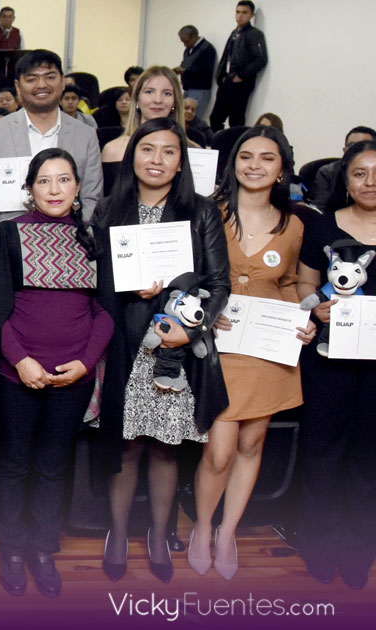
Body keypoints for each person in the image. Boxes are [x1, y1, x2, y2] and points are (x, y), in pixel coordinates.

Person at [93, 117, 230, 584]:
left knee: (165, 450)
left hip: (172, 351)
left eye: (168, 151)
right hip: (124, 343)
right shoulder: (109, 209)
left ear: (180, 161)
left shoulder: (201, 212)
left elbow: (218, 284)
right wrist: (132, 292)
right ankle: (117, 533)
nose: (157, 159)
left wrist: (190, 331)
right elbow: (96, 286)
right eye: (148, 149)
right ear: (132, 154)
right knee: (126, 446)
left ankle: (156, 534)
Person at [0, 148, 111, 598]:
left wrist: (86, 363)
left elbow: (105, 312)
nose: (55, 189)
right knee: (13, 463)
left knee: (54, 466)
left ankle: (42, 549)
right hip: (18, 374)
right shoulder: (8, 235)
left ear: (77, 187)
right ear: (29, 189)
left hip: (75, 377)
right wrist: (21, 360)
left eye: (64, 180)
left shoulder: (94, 239)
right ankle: (12, 549)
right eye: (45, 181)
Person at [187, 125, 313, 581]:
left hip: (269, 345)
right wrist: (204, 307)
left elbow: (296, 283)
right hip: (219, 346)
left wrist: (305, 316)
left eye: (267, 158)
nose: (255, 165)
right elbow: (190, 274)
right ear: (233, 163)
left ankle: (227, 532)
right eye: (247, 157)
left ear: (282, 169)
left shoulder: (295, 223)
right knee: (219, 450)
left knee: (251, 442)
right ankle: (202, 526)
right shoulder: (209, 213)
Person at [295, 139, 376, 589]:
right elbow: (305, 284)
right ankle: (319, 546)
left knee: (369, 457)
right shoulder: (324, 226)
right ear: (345, 180)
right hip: (329, 359)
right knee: (322, 453)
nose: (371, 182)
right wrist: (314, 309)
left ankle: (358, 550)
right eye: (360, 173)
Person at [0, 50, 103, 227]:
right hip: (11, 238)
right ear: (18, 86)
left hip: (71, 240)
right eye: (31, 79)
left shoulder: (86, 135)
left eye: (50, 77)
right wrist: (1, 239)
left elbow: (92, 197)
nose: (41, 85)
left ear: (62, 82)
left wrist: (78, 239)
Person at [102, 67, 190, 196]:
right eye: (149, 92)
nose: (158, 100)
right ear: (137, 99)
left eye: (167, 93)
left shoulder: (192, 150)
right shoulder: (113, 150)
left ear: (175, 102)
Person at [211, 1, 268, 131]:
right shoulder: (234, 33)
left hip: (241, 84)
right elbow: (226, 56)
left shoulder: (254, 34)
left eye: (244, 13)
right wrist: (220, 77)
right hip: (227, 82)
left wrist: (242, 75)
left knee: (236, 120)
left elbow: (261, 59)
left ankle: (233, 148)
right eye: (238, 12)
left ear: (251, 15)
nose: (240, 16)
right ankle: (217, 147)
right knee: (215, 118)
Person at [306, 126, 376, 210]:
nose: (357, 150)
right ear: (344, 150)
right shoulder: (328, 172)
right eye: (352, 145)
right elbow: (318, 208)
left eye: (363, 144)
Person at [174, 25, 217, 123]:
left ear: (194, 36)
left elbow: (206, 71)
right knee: (182, 119)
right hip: (188, 89)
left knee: (193, 120)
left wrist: (186, 71)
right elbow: (185, 64)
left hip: (200, 90)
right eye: (183, 42)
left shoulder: (207, 49)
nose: (185, 45)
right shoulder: (188, 49)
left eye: (186, 41)